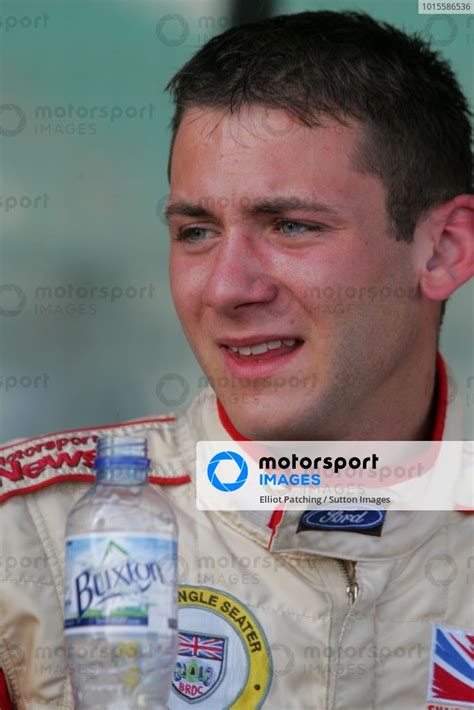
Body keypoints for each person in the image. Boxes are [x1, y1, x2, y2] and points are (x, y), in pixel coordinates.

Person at [1, 10, 473, 710]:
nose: (225, 288)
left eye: (290, 226)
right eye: (196, 231)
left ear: (441, 250)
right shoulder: (24, 544)